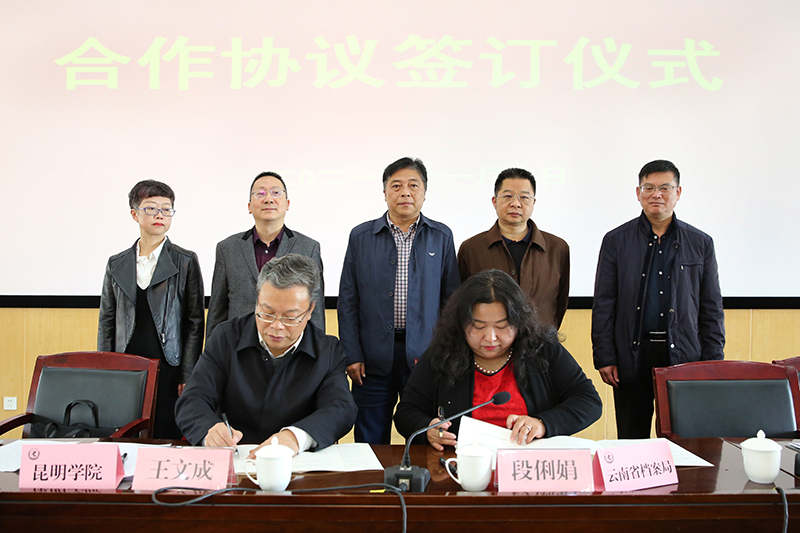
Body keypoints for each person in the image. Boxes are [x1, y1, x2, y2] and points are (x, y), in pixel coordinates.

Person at [592, 159, 725, 439]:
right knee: (632, 440)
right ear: (638, 192)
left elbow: (711, 308)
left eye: (665, 188)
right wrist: (605, 356)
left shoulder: (700, 243)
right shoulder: (616, 240)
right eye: (649, 187)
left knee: (683, 439)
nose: (657, 194)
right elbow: (604, 303)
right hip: (632, 356)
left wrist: (712, 362)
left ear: (678, 192)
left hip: (684, 356)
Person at [395, 269, 601, 449]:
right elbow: (407, 411)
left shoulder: (542, 349)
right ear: (461, 323)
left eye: (502, 326)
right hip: (461, 465)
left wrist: (542, 423)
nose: (490, 337)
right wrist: (427, 430)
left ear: (519, 322)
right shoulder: (442, 353)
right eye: (478, 326)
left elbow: (589, 401)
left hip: (529, 466)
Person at [175, 254, 356, 456]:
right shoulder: (226, 337)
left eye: (290, 317)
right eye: (267, 313)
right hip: (236, 458)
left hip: (297, 462)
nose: (276, 326)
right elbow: (192, 399)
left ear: (310, 310)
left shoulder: (327, 351)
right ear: (257, 300)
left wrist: (296, 437)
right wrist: (209, 429)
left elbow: (341, 408)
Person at [338, 157, 461, 445]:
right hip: (371, 358)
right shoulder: (361, 236)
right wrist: (352, 354)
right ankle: (374, 478)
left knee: (421, 433)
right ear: (385, 193)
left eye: (413, 185)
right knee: (369, 437)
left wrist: (444, 352)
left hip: (425, 355)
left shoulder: (441, 236)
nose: (405, 192)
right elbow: (348, 300)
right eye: (396, 186)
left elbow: (452, 301)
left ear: (424, 192)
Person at [98, 180, 204, 439]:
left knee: (166, 432)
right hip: (126, 363)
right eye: (151, 208)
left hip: (170, 364)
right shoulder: (116, 263)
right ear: (134, 214)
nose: (159, 215)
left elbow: (194, 322)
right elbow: (107, 320)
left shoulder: (186, 261)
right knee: (126, 431)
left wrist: (188, 373)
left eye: (166, 209)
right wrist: (105, 368)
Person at [206, 171, 325, 338]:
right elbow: (217, 312)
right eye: (260, 193)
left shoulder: (308, 248)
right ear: (249, 206)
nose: (268, 199)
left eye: (276, 192)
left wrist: (317, 350)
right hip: (238, 345)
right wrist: (212, 348)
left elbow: (316, 312)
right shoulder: (227, 249)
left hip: (289, 345)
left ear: (287, 204)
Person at [457, 168, 570, 328]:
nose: (516, 204)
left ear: (533, 202)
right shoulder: (472, 249)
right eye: (508, 196)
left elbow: (560, 303)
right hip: (490, 340)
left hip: (541, 341)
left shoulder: (557, 248)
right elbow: (462, 303)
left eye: (524, 197)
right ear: (494, 201)